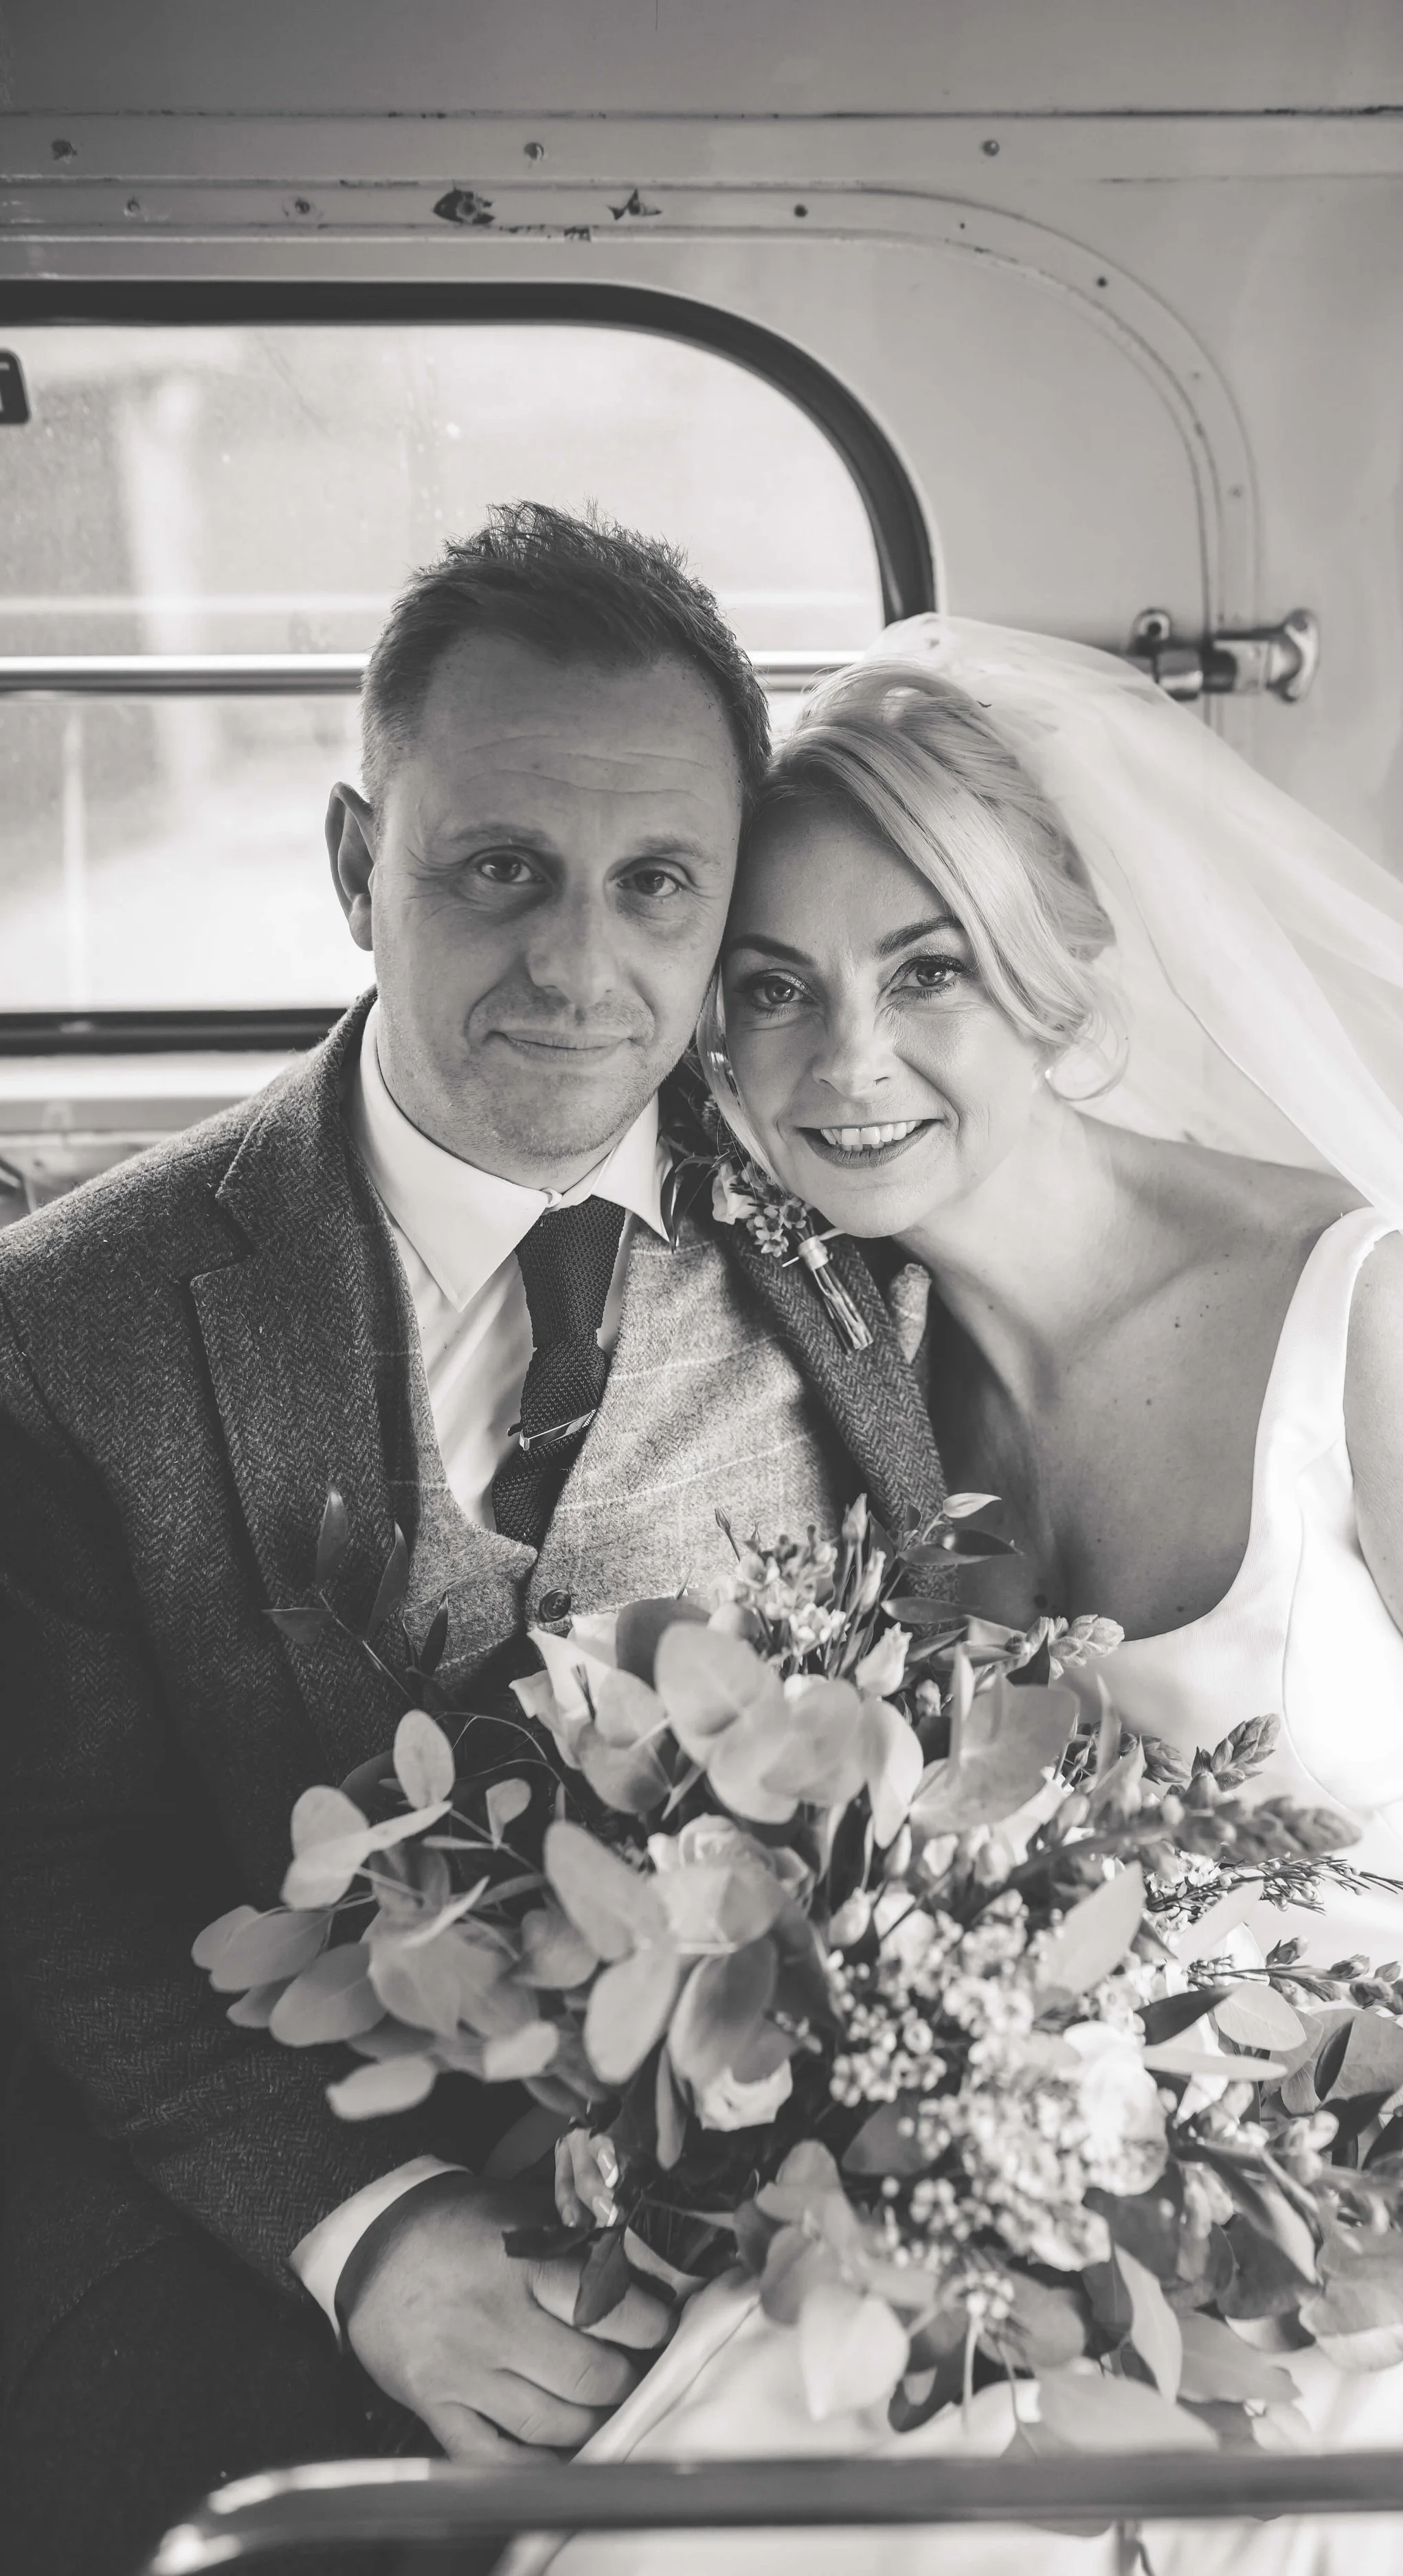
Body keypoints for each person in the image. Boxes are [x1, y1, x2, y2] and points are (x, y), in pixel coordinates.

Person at [693, 619, 1403, 2576]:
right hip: (1106, 2174)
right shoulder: (857, 1380)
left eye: (929, 972)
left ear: (1054, 968)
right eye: (771, 990)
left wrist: (1370, 2259)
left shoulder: (1357, 1313)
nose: (848, 1061)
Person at [0, 505, 944, 2576]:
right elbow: (51, 1868)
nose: (579, 967)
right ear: (359, 865)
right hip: (255, 2233)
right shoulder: (71, 1323)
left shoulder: (877, 1236)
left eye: (655, 886)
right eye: (497, 866)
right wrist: (364, 2243)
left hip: (779, 2232)